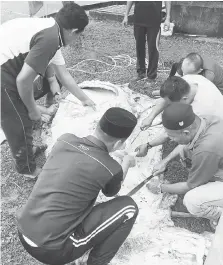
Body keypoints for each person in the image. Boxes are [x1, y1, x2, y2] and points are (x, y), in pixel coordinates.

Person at [16, 107, 139, 265]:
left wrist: (108, 156)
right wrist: (127, 162)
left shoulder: (65, 140)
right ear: (119, 143)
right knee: (128, 207)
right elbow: (112, 191)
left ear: (97, 126)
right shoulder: (111, 168)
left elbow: (87, 158)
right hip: (52, 250)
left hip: (24, 230)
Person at [1, 3, 95, 178]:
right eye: (79, 35)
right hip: (2, 71)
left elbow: (64, 75)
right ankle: (27, 169)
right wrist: (33, 110)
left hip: (7, 65)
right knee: (18, 120)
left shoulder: (52, 29)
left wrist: (84, 99)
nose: (77, 39)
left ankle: (28, 148)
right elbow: (23, 81)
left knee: (21, 112)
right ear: (73, 31)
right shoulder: (50, 38)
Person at [138, 103, 223, 228]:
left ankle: (219, 215)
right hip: (213, 156)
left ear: (186, 132)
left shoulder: (206, 150)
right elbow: (184, 143)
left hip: (212, 158)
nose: (171, 140)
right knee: (186, 150)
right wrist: (163, 160)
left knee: (192, 201)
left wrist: (161, 187)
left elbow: (189, 186)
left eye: (172, 136)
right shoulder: (202, 121)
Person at [141, 75, 223, 131]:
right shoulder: (188, 79)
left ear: (184, 99)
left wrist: (149, 145)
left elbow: (184, 135)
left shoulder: (199, 111)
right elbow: (167, 97)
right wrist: (150, 118)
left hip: (216, 129)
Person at [122, 1, 171, 83]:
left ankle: (151, 76)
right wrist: (126, 15)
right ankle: (141, 73)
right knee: (139, 46)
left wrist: (168, 18)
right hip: (138, 20)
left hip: (154, 21)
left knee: (153, 48)